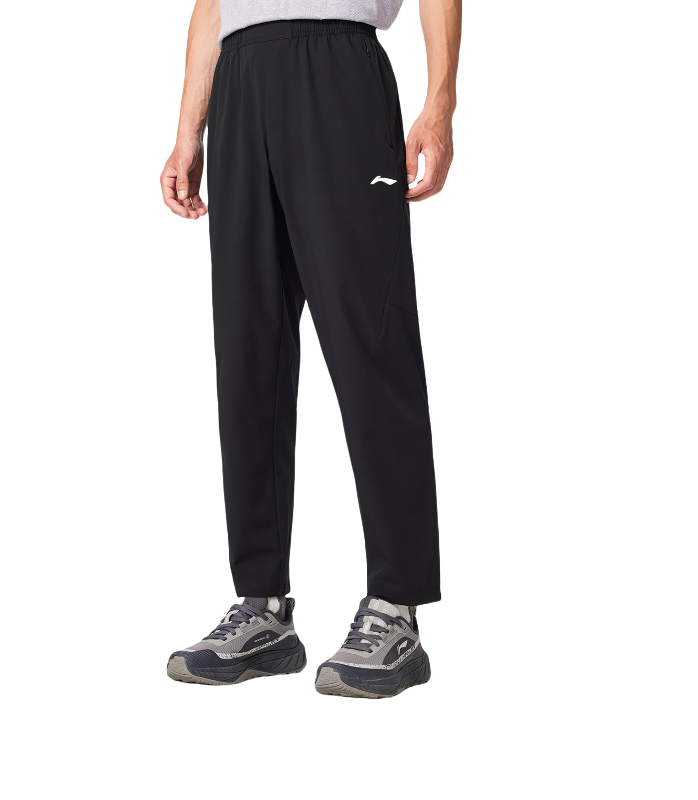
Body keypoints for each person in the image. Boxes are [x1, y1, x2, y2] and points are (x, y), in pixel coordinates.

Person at [160, 0, 462, 699]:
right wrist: (187, 133)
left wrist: (440, 102)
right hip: (240, 84)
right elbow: (213, 7)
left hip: (338, 71)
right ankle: (262, 607)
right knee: (248, 352)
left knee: (369, 342)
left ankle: (396, 608)